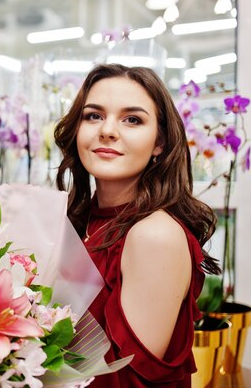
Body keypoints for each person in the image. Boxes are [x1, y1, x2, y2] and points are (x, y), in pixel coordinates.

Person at [53, 64, 220, 387]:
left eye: (132, 119)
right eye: (93, 116)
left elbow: (123, 378)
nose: (108, 130)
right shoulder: (78, 220)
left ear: (159, 143)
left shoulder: (153, 235)